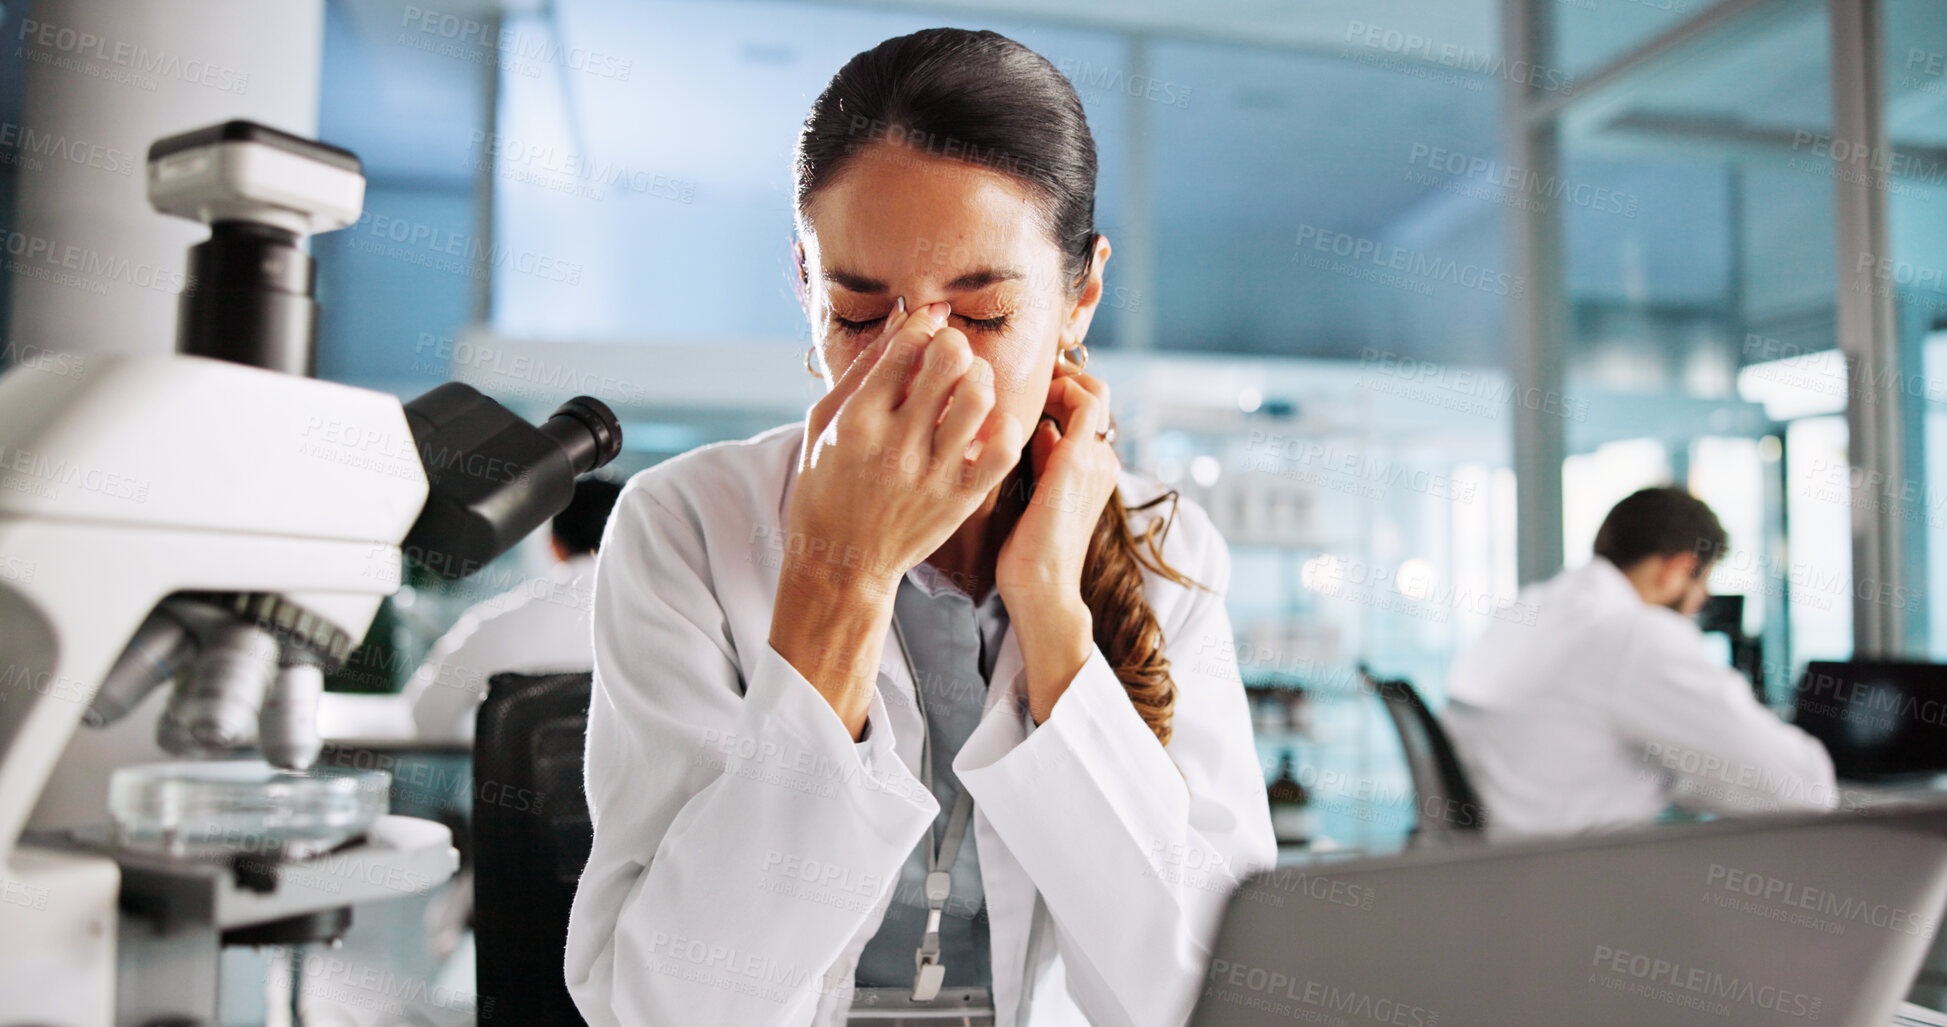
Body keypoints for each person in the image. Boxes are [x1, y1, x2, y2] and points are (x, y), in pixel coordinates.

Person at [564, 28, 1275, 1027]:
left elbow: (1212, 998)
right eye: (860, 317)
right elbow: (672, 1009)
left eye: (982, 317)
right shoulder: (684, 525)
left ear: (1082, 297)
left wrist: (1053, 619)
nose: (922, 373)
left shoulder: (1170, 550)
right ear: (807, 288)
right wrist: (837, 583)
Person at [1440, 486, 1836, 840]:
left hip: (1498, 863)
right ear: (1676, 569)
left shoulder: (1530, 607)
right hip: (1572, 877)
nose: (1701, 601)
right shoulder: (1635, 635)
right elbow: (1803, 791)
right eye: (1703, 583)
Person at [400, 476, 622, 743]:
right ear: (629, 544)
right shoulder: (668, 624)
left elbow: (427, 719)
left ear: (553, 545)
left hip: (511, 785)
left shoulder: (492, 623)